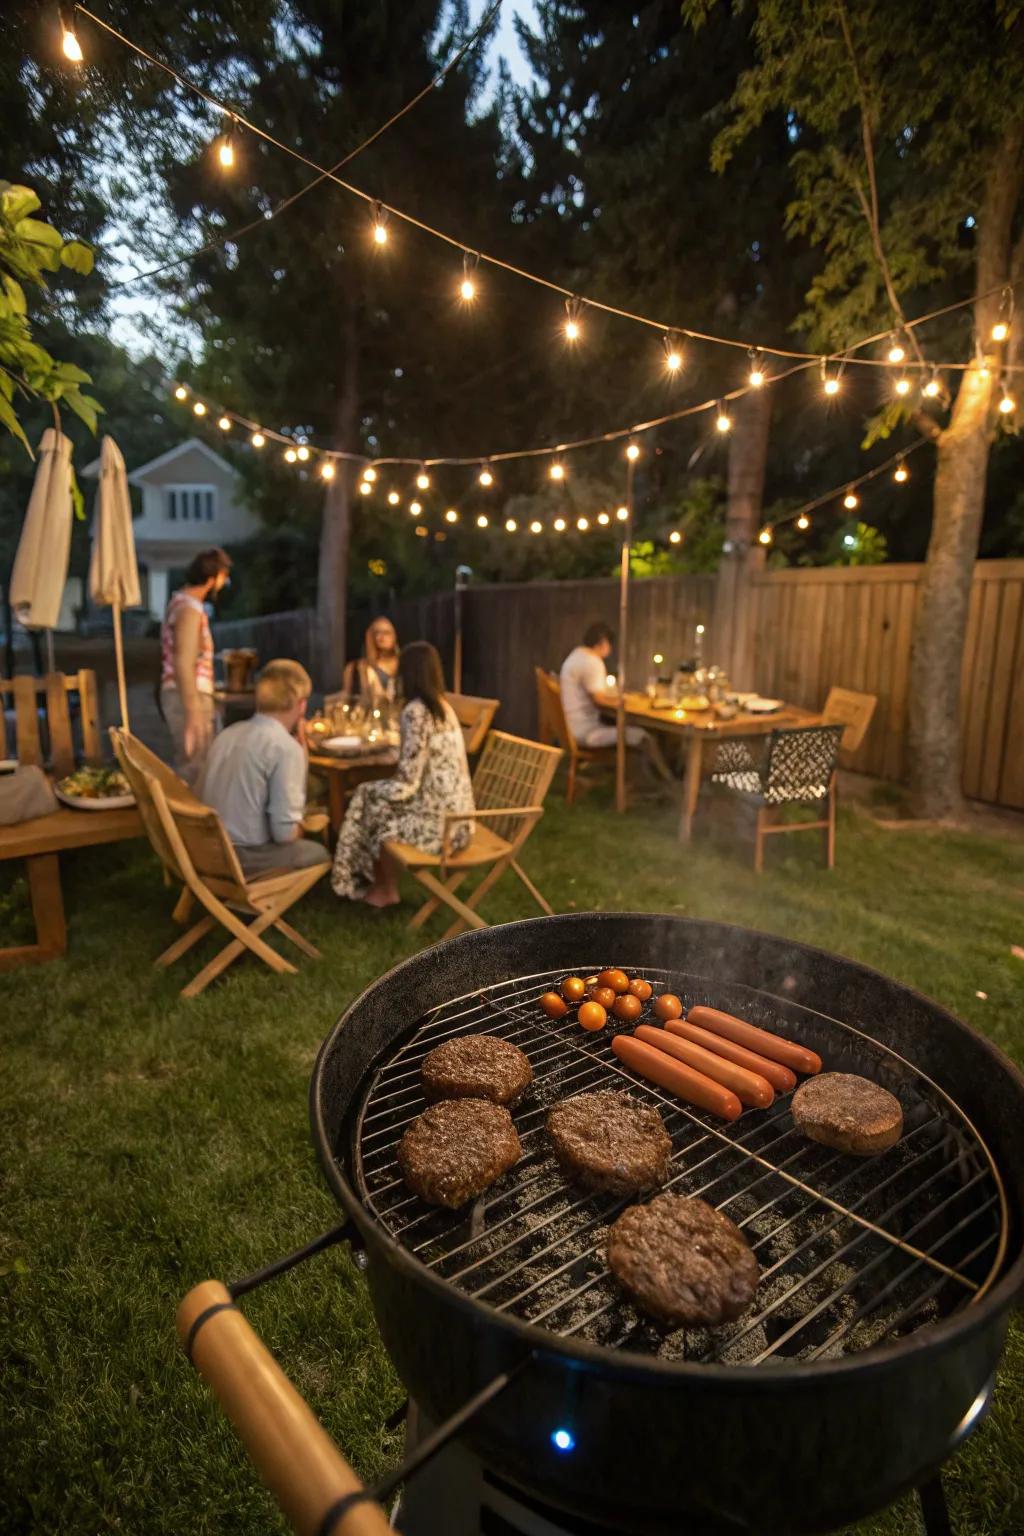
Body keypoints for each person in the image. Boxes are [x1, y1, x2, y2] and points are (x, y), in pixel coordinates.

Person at [332, 641, 473, 907]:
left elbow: (408, 782)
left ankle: (380, 888)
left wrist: (366, 790)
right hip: (461, 819)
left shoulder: (416, 712)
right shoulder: (443, 707)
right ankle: (378, 884)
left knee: (370, 805)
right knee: (374, 803)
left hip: (443, 827)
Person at [199, 658, 330, 878]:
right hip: (241, 860)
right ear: (302, 704)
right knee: (318, 854)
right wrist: (302, 823)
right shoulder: (284, 747)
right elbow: (285, 835)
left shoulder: (228, 734)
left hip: (204, 852)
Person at [559, 620, 671, 775]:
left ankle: (647, 776)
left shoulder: (576, 655)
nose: (610, 649)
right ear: (603, 642)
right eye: (609, 644)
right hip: (586, 732)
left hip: (570, 728)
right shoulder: (592, 662)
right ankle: (666, 779)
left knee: (632, 729)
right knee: (645, 737)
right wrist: (623, 701)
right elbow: (598, 699)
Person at [160, 547, 232, 785]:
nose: (225, 581)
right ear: (214, 577)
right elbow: (184, 660)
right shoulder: (189, 608)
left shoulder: (180, 603)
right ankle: (188, 822)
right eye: (224, 576)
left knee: (197, 766)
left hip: (186, 694)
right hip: (186, 696)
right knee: (195, 769)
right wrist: (193, 713)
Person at [341, 617, 400, 708]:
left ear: (394, 636)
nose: (381, 637)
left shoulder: (404, 664)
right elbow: (345, 697)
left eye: (386, 633)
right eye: (377, 632)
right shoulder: (356, 668)